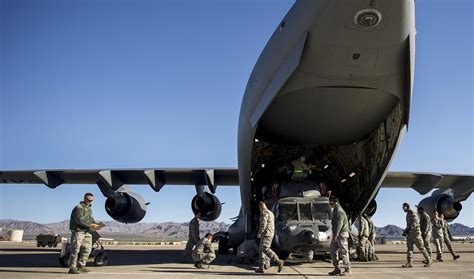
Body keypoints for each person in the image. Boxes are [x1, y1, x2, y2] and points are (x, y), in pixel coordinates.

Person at [68, 193, 98, 274]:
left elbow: (90, 218)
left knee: (87, 249)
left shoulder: (89, 208)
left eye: (91, 200)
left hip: (87, 231)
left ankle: (81, 266)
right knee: (75, 249)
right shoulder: (79, 207)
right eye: (88, 200)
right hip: (78, 231)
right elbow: (79, 220)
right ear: (85, 199)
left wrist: (96, 224)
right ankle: (72, 268)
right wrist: (90, 225)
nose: (90, 201)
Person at [255, 202, 284, 274]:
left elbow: (263, 224)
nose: (259, 209)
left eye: (259, 208)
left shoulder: (264, 212)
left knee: (265, 248)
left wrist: (259, 233)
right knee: (261, 250)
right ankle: (261, 268)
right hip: (270, 233)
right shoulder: (271, 213)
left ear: (260, 206)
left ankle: (278, 261)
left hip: (266, 234)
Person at [401, 203, 431, 268]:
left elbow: (416, 223)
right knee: (409, 249)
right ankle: (409, 262)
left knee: (421, 248)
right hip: (410, 235)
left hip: (416, 234)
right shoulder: (407, 214)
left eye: (404, 207)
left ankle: (428, 260)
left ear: (407, 207)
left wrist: (410, 228)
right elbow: (408, 225)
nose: (403, 209)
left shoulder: (413, 213)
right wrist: (405, 231)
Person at [328, 196, 351, 276]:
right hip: (337, 234)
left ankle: (347, 269)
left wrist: (334, 236)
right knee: (333, 250)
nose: (330, 204)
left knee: (343, 252)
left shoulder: (339, 211)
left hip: (341, 234)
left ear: (336, 203)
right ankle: (337, 268)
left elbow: (338, 226)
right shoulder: (335, 209)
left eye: (331, 203)